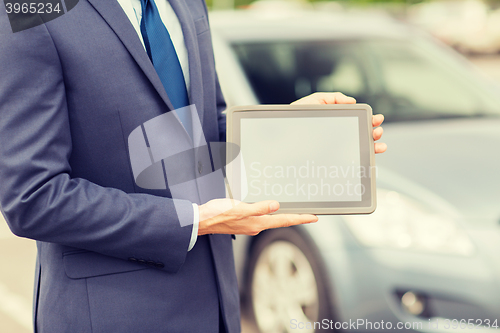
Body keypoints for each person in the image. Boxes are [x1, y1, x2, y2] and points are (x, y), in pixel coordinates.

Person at [0, 0, 386, 332]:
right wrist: (193, 221)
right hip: (113, 314)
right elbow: (34, 198)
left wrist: (286, 132)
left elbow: (201, 131)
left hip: (216, 303)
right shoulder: (28, 10)